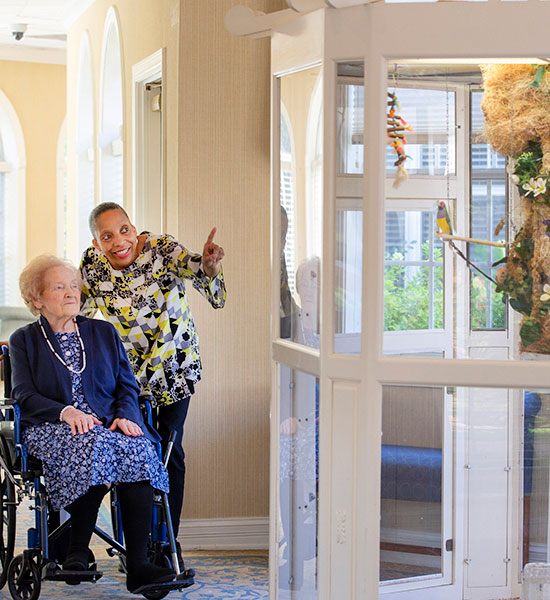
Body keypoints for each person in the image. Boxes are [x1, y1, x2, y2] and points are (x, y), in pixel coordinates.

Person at [9, 255, 175, 592]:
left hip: (106, 425)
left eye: (74, 285)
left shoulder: (103, 332)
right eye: (59, 287)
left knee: (136, 448)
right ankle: (77, 550)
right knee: (95, 443)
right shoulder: (23, 340)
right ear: (36, 299)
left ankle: (140, 565)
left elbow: (127, 384)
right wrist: (65, 412)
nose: (72, 293)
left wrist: (127, 416)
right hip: (51, 426)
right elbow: (22, 392)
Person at [79, 202, 226, 560]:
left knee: (169, 454)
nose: (119, 241)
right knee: (132, 454)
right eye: (107, 236)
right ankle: (136, 547)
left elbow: (197, 273)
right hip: (127, 379)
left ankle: (166, 545)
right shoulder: (92, 266)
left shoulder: (162, 248)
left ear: (134, 227)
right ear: (97, 243)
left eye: (124, 229)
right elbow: (78, 318)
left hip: (175, 366)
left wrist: (208, 265)